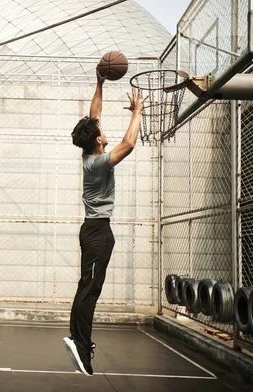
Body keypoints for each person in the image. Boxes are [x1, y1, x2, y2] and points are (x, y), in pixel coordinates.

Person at [63, 66, 146, 376]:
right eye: (100, 131)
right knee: (90, 291)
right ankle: (81, 347)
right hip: (98, 233)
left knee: (87, 287)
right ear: (98, 141)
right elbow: (128, 144)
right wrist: (137, 111)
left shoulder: (89, 154)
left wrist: (99, 83)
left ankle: (78, 340)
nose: (102, 129)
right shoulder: (98, 163)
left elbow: (93, 115)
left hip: (95, 230)